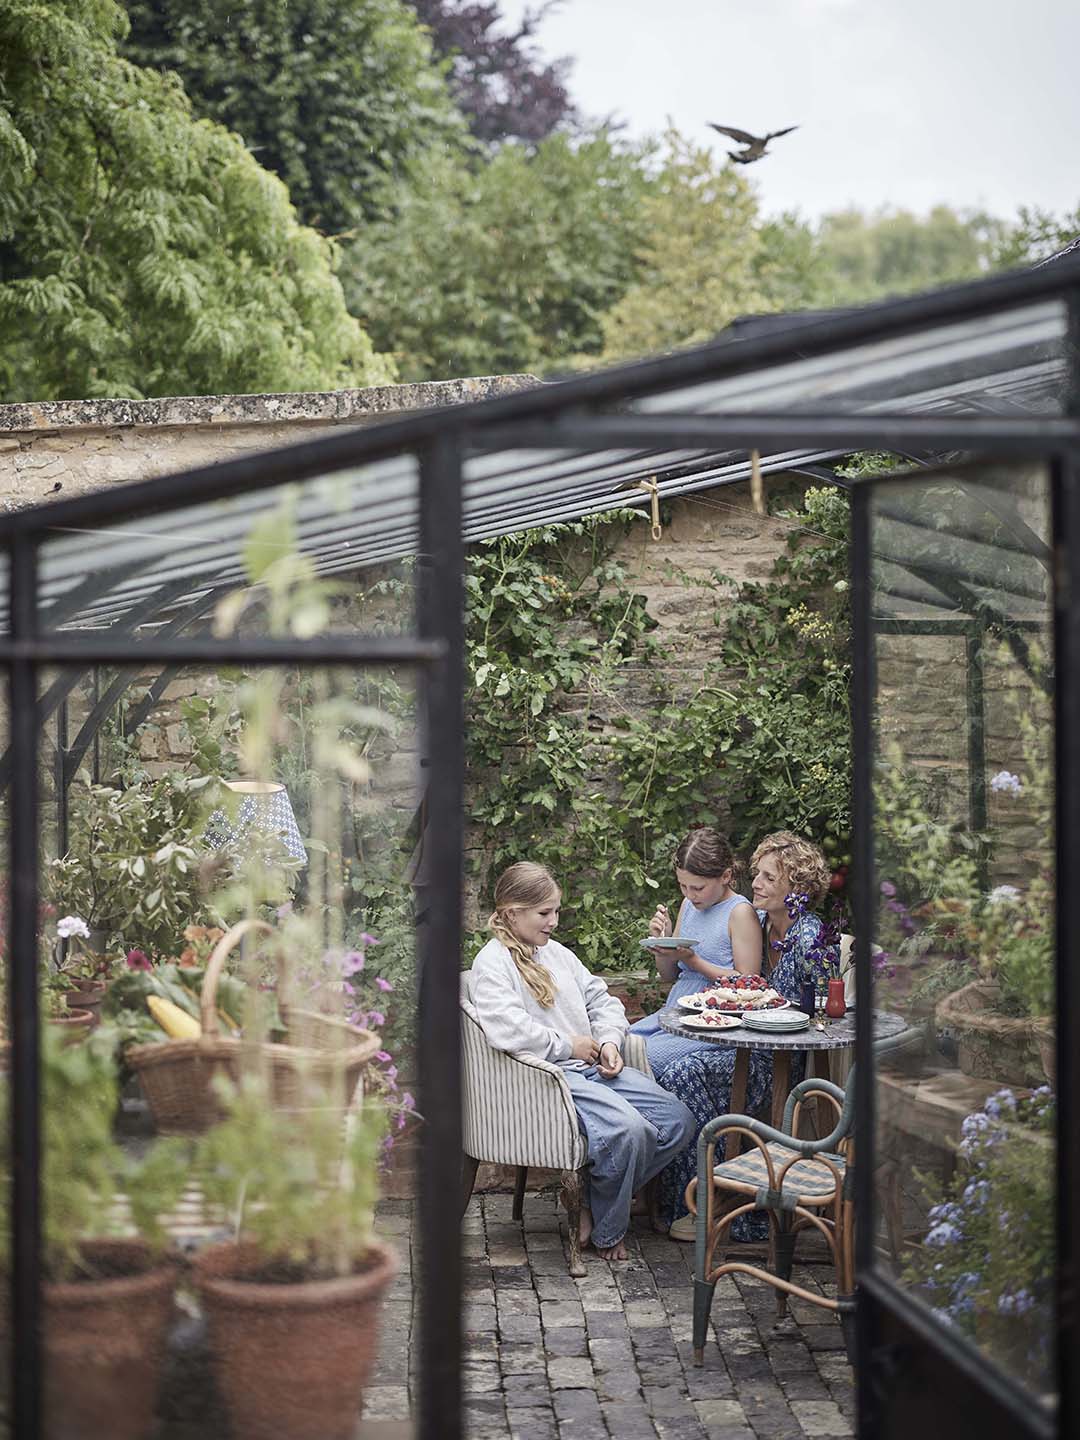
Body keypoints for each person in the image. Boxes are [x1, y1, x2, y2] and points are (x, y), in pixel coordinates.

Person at [470, 861, 695, 1262]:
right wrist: (567, 1045)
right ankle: (608, 1231)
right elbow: (507, 1030)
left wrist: (609, 1041)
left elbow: (602, 1000)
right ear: (511, 913)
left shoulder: (555, 954)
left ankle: (590, 1198)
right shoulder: (494, 964)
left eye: (557, 911)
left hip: (592, 1067)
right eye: (544, 913)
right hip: (551, 1077)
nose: (554, 921)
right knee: (629, 1130)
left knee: (677, 1119)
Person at [653, 831, 839, 1239]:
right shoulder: (763, 924)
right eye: (757, 873)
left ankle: (717, 1198)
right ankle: (698, 1194)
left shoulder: (808, 937)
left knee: (684, 1071)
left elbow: (826, 1010)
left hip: (778, 1058)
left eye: (770, 878)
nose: (755, 882)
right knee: (681, 1068)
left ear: (798, 888)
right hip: (745, 1044)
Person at [630, 827, 761, 1078]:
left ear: (725, 875)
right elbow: (669, 975)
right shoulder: (688, 905)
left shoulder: (740, 913)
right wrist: (663, 943)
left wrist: (694, 960)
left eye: (698, 888)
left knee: (645, 1058)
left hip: (715, 1022)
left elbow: (749, 985)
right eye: (683, 886)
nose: (689, 895)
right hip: (675, 1013)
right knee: (619, 1043)